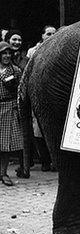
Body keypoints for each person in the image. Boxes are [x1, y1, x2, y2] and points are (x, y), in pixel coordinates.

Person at [27, 25, 56, 172]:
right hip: (38, 92)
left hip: (53, 93)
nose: (51, 36)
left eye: (54, 33)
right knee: (38, 129)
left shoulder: (59, 49)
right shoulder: (33, 51)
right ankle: (44, 160)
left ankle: (54, 160)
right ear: (42, 36)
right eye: (48, 33)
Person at [4, 30, 29, 177]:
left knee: (23, 134)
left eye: (19, 40)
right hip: (6, 100)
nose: (17, 42)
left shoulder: (24, 59)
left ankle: (24, 166)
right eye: (14, 39)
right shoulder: (5, 58)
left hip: (21, 99)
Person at [0, 42, 23, 186]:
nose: (7, 56)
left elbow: (20, 91)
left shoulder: (15, 70)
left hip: (9, 107)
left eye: (9, 53)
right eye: (4, 53)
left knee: (5, 144)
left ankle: (3, 173)